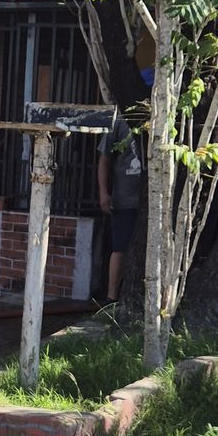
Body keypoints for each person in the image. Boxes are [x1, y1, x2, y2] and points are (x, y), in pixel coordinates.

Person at [96, 106, 143, 303]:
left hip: (150, 199)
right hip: (124, 196)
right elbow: (104, 159)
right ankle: (111, 297)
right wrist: (103, 192)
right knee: (120, 247)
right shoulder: (120, 120)